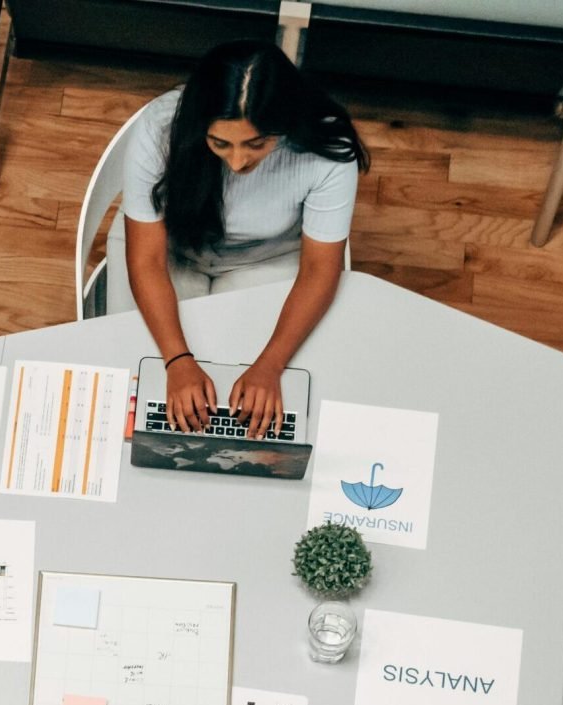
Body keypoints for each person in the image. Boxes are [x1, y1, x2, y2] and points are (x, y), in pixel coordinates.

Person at [111, 40, 369, 439]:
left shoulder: (325, 148)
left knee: (262, 392)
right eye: (219, 143)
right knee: (139, 380)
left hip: (266, 257)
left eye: (257, 143)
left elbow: (320, 269)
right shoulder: (160, 128)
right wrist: (177, 358)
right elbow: (145, 260)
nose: (237, 162)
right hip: (172, 250)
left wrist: (270, 364)